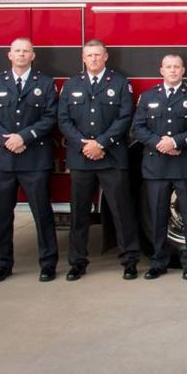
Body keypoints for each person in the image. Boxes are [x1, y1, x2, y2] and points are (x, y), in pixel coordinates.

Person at [58, 40, 139, 281]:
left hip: (111, 157)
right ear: (83, 58)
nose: (93, 59)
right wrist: (85, 145)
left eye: (97, 55)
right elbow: (63, 120)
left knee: (121, 212)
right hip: (82, 158)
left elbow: (125, 117)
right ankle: (77, 262)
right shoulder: (71, 85)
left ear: (106, 57)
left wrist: (101, 144)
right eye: (89, 55)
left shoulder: (119, 83)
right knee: (79, 213)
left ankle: (130, 260)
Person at [0, 38, 59, 282]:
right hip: (2, 159)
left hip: (34, 159)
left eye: (26, 51)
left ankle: (48, 264)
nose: (22, 54)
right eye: (17, 51)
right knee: (3, 216)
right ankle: (2, 264)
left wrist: (24, 137)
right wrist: (7, 139)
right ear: (9, 55)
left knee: (42, 214)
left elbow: (50, 117)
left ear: (33, 55)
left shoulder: (45, 84)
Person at [131, 53, 187, 280]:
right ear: (161, 70)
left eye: (176, 67)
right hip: (157, 164)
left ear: (183, 71)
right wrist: (160, 144)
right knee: (157, 216)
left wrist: (176, 142)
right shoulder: (147, 97)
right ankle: (158, 262)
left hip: (185, 163)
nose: (172, 71)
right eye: (168, 67)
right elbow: (138, 128)